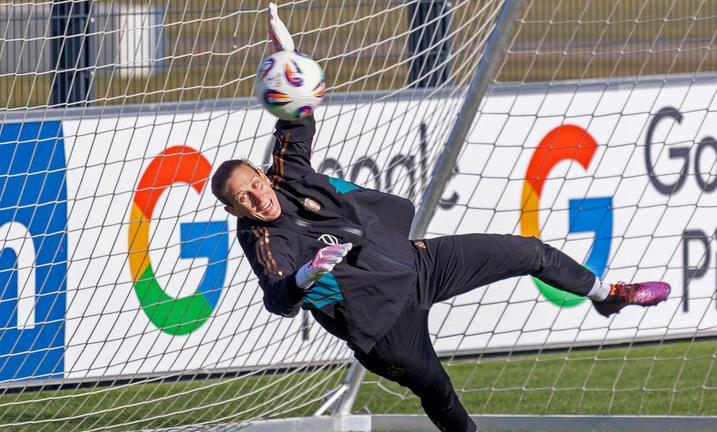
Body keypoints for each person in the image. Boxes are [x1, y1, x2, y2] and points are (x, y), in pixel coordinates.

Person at [210, 5, 671, 432]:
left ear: (264, 174)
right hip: (383, 326)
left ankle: (607, 295)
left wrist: (287, 59)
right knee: (439, 392)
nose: (256, 199)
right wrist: (307, 275)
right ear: (233, 210)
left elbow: (296, 119)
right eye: (242, 200)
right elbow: (278, 298)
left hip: (419, 265)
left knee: (528, 251)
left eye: (255, 185)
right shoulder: (261, 238)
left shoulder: (288, 173)